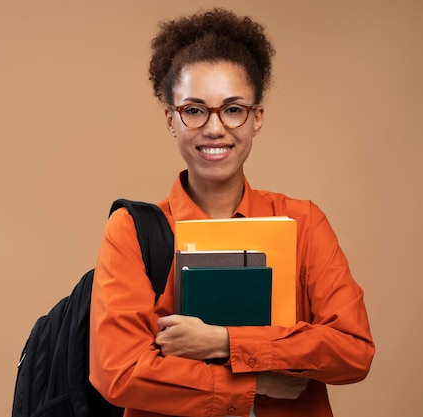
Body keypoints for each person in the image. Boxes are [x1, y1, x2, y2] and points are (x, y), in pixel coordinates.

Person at [89, 7, 374, 417]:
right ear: (171, 119)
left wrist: (224, 342)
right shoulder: (133, 231)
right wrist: (256, 380)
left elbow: (353, 350)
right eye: (194, 109)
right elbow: (119, 372)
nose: (215, 127)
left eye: (233, 108)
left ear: (256, 117)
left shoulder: (303, 222)